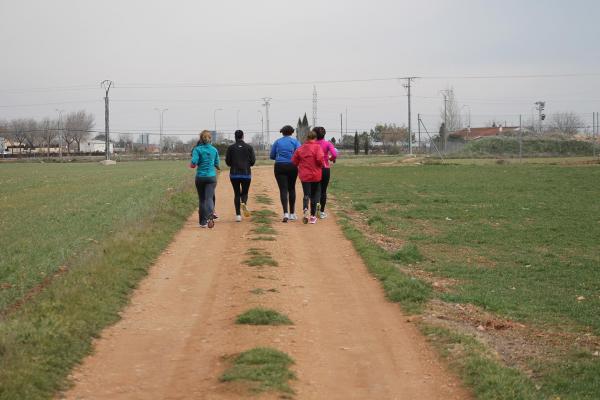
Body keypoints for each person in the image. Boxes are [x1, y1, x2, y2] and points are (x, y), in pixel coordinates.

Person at [292, 129, 324, 224]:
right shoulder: (318, 147)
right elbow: (320, 160)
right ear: (315, 138)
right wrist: (321, 165)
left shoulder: (300, 148)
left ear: (307, 138)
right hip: (316, 175)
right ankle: (313, 216)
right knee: (315, 194)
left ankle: (305, 208)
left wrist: (300, 164)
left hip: (305, 175)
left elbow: (294, 161)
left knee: (307, 194)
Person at [270, 125, 301, 222]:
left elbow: (272, 155)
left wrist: (280, 158)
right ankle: (292, 213)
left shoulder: (277, 141)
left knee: (283, 189)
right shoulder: (295, 142)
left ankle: (285, 213)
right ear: (292, 132)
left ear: (282, 132)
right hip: (292, 166)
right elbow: (299, 154)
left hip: (279, 166)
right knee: (291, 188)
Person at [190, 130, 220, 228]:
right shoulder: (214, 150)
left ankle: (202, 222)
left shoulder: (197, 149)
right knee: (209, 198)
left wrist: (193, 164)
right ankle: (211, 214)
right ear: (210, 139)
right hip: (211, 177)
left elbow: (193, 163)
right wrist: (216, 167)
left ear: (201, 139)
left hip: (200, 177)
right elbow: (217, 164)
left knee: (202, 199)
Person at [225, 130, 256, 222]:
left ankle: (238, 215)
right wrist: (247, 164)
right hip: (246, 173)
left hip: (234, 174)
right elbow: (253, 161)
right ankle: (243, 203)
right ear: (243, 136)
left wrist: (233, 164)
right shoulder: (249, 147)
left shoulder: (230, 148)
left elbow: (228, 162)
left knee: (237, 193)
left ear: (235, 137)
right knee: (245, 192)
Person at [314, 127, 338, 219]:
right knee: (323, 191)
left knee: (316, 191)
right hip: (325, 169)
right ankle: (322, 212)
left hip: (315, 169)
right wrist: (330, 158)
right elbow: (335, 154)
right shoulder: (328, 144)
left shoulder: (313, 144)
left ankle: (315, 211)